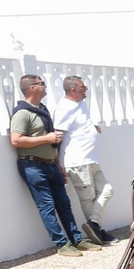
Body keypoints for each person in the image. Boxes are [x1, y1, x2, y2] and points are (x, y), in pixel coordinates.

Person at [10, 74, 101, 258]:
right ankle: (62, 244)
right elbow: (16, 140)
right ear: (32, 88)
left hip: (51, 164)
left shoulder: (42, 109)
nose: (45, 85)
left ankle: (77, 240)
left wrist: (58, 163)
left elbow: (52, 142)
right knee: (47, 206)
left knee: (64, 204)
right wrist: (46, 138)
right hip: (33, 166)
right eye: (41, 83)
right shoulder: (22, 113)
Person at [54, 75, 114, 245]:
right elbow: (58, 135)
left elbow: (78, 124)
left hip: (91, 159)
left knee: (107, 190)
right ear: (73, 90)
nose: (86, 88)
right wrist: (58, 164)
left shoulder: (80, 103)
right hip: (77, 161)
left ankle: (93, 225)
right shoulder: (64, 107)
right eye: (82, 86)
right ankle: (96, 233)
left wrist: (91, 127)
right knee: (88, 200)